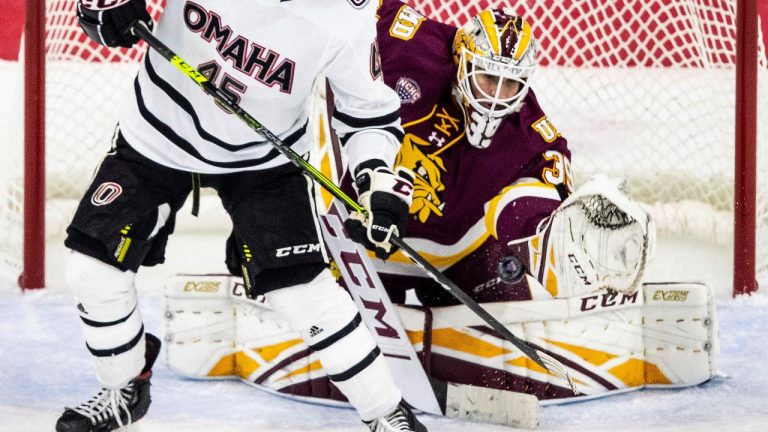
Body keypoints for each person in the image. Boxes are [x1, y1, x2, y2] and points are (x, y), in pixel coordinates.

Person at [56, 1, 427, 431]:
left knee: (305, 295)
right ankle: (125, 386)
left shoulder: (347, 13)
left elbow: (368, 112)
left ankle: (386, 413)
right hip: (157, 132)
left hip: (263, 160)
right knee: (91, 269)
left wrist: (375, 178)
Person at [342, 0, 575, 307]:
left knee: (510, 332)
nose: (496, 97)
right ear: (464, 60)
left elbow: (543, 203)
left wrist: (571, 232)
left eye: (510, 84)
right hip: (364, 238)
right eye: (489, 78)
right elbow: (351, 10)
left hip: (459, 256)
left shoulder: (529, 133)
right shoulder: (409, 45)